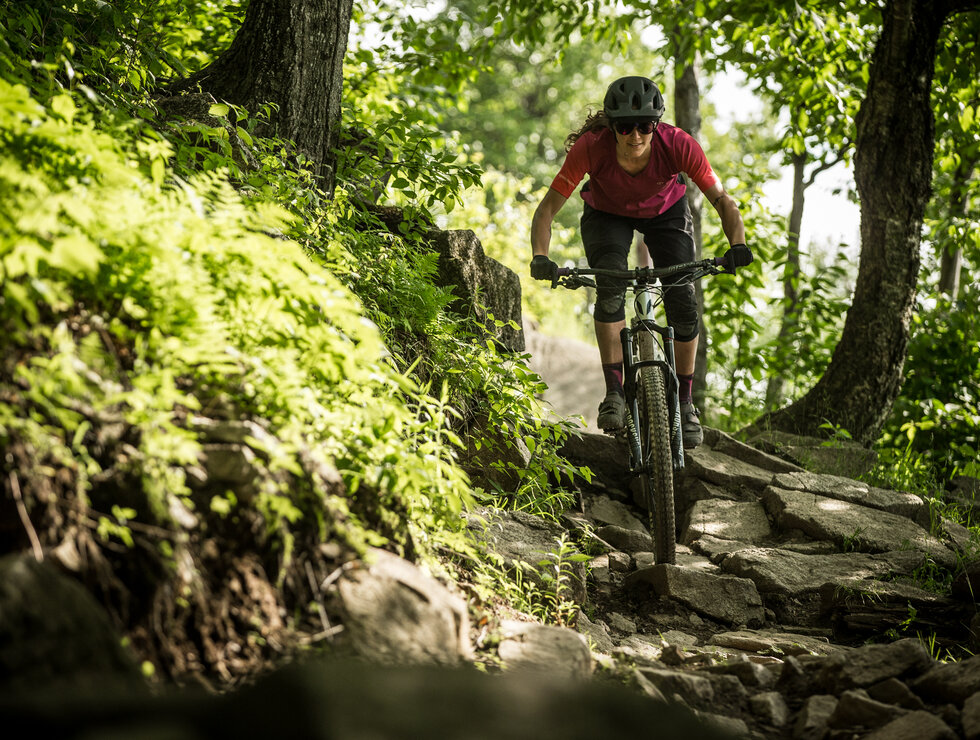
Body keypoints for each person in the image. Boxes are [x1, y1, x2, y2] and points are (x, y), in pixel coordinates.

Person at [529, 75, 751, 448]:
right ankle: (614, 392)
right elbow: (547, 210)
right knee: (611, 289)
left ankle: (685, 404)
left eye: (645, 125)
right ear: (611, 127)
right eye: (625, 126)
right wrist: (541, 257)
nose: (636, 135)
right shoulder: (591, 147)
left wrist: (738, 244)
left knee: (683, 303)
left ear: (657, 123)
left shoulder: (678, 144)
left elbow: (723, 201)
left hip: (666, 213)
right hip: (606, 215)